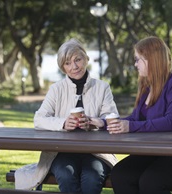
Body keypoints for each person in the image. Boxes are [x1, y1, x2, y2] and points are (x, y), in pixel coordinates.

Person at [14, 38, 118, 194]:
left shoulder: (102, 87)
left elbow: (111, 118)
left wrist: (94, 123)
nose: (74, 67)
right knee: (65, 175)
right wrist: (63, 124)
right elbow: (39, 119)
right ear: (62, 67)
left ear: (86, 59)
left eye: (78, 60)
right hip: (61, 151)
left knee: (92, 177)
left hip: (96, 152)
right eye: (67, 63)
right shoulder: (56, 89)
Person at [106, 36, 172, 194]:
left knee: (151, 182)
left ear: (151, 59)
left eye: (138, 59)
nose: (135, 64)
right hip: (158, 152)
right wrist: (102, 123)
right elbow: (133, 119)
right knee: (120, 175)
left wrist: (131, 127)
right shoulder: (147, 88)